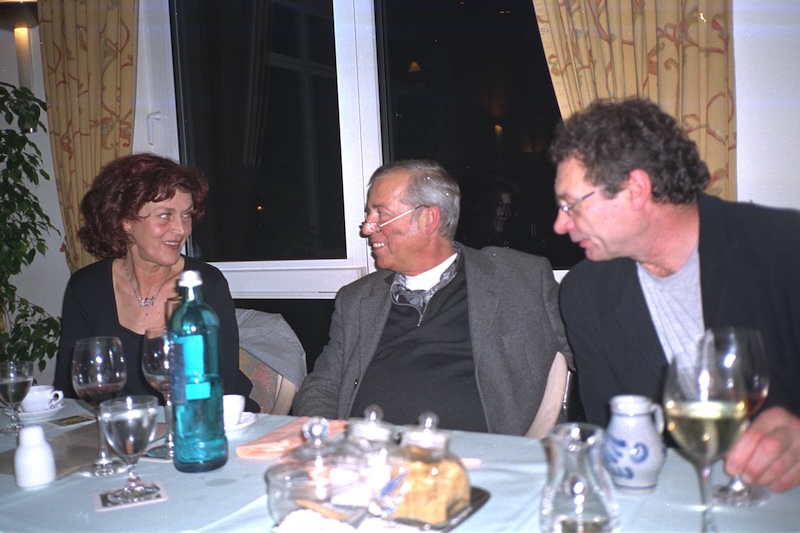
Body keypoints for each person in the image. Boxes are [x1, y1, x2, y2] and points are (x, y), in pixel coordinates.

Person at [551, 98, 800, 492]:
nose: (559, 224)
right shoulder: (586, 293)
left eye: (571, 205)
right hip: (670, 498)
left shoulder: (783, 247)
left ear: (635, 189)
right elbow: (611, 430)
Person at [293, 159, 571, 436]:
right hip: (365, 452)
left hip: (473, 454)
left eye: (380, 215)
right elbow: (321, 387)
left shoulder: (518, 280)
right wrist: (333, 441)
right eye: (369, 215)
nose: (366, 228)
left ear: (429, 219)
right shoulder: (357, 299)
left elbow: (585, 353)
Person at [53, 153, 254, 408]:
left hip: (202, 420)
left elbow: (220, 385)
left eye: (186, 215)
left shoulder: (204, 285)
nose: (181, 229)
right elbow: (71, 388)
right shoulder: (86, 287)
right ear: (126, 221)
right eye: (165, 215)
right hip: (122, 425)